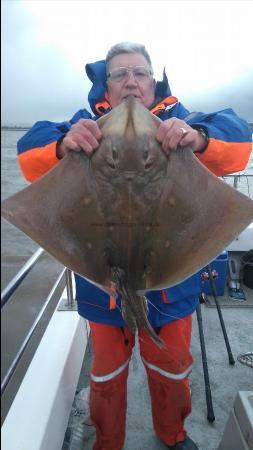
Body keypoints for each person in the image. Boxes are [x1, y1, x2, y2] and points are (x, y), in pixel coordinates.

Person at [17, 42, 252, 450]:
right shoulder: (83, 124)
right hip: (100, 284)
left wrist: (197, 139)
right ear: (105, 85)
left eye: (140, 73)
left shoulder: (183, 120)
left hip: (172, 284)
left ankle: (172, 434)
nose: (130, 82)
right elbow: (29, 150)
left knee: (172, 367)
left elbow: (239, 138)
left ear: (153, 81)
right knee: (106, 372)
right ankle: (109, 441)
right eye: (119, 74)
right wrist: (62, 144)